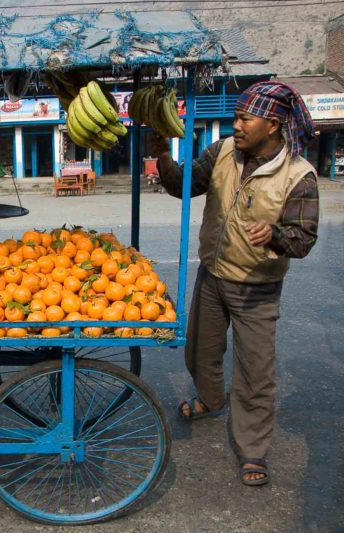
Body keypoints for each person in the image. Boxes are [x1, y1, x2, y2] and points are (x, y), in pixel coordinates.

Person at [153, 81, 318, 487]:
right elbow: (187, 185)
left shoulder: (299, 176)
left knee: (255, 373)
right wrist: (162, 158)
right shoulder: (224, 150)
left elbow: (304, 238)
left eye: (246, 118)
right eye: (237, 117)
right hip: (213, 273)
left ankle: (253, 449)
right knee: (200, 351)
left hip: (257, 288)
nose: (237, 125)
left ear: (274, 124)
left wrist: (276, 234)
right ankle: (211, 399)